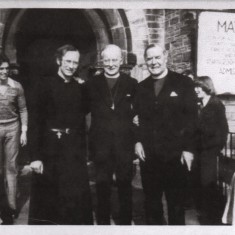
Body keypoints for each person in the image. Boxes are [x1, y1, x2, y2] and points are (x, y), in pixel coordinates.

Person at [28, 44, 93, 225]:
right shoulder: (43, 85)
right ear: (59, 61)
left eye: (75, 62)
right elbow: (35, 123)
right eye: (68, 61)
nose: (71, 66)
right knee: (49, 203)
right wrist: (35, 157)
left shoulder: (80, 88)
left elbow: (83, 117)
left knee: (74, 203)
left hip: (73, 152)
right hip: (49, 151)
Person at [134, 44, 198, 225]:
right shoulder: (141, 87)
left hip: (175, 157)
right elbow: (136, 118)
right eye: (149, 59)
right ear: (145, 61)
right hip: (150, 157)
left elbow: (192, 119)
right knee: (152, 204)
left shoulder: (183, 83)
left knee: (176, 205)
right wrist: (137, 141)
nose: (153, 62)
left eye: (157, 57)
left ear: (165, 57)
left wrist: (188, 149)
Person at [85, 44, 137, 225]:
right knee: (102, 186)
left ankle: (124, 223)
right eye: (107, 60)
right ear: (102, 61)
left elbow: (139, 114)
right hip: (101, 144)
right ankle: (103, 224)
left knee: (125, 185)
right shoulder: (91, 84)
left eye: (114, 60)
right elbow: (80, 110)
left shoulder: (132, 83)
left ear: (121, 61)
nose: (111, 64)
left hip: (124, 144)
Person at [194, 76, 228, 225]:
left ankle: (213, 218)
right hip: (200, 151)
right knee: (200, 184)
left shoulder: (216, 105)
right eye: (195, 87)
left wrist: (214, 148)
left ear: (207, 87)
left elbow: (223, 130)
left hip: (210, 151)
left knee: (209, 184)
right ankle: (206, 214)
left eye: (199, 87)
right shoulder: (199, 105)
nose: (196, 90)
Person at [0, 54, 28, 224]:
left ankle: (10, 208)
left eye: (6, 68)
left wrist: (24, 131)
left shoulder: (16, 86)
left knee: (11, 168)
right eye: (0, 69)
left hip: (12, 128)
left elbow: (23, 110)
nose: (4, 72)